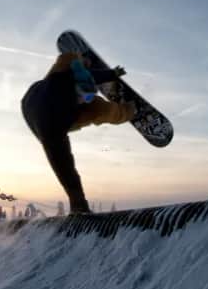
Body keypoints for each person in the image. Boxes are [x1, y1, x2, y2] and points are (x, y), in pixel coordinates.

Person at [21, 52, 136, 214]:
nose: (87, 99)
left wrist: (111, 74)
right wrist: (77, 200)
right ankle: (128, 111)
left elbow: (87, 77)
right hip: (41, 118)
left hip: (37, 91)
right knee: (98, 109)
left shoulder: (65, 74)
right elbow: (62, 165)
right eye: (86, 97)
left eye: (90, 95)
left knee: (68, 60)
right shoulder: (54, 126)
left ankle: (83, 60)